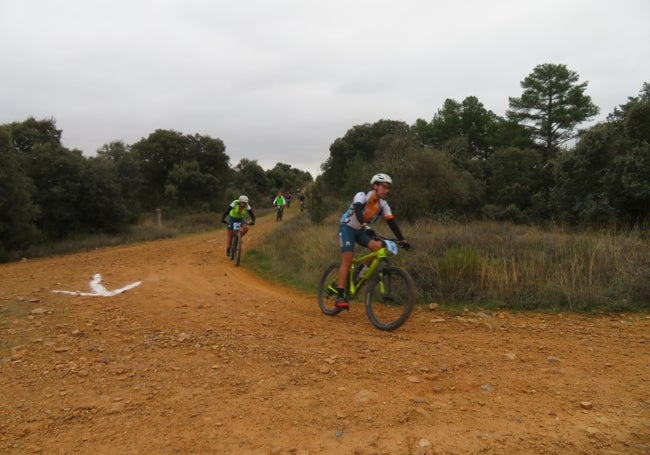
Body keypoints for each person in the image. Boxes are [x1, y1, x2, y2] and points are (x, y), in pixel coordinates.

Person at [334, 173, 409, 309]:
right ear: (375, 186)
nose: (386, 190)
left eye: (388, 188)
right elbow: (357, 210)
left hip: (361, 230)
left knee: (378, 247)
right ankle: (339, 295)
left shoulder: (383, 205)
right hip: (347, 228)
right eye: (384, 187)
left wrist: (402, 239)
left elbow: (391, 222)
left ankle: (360, 271)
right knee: (348, 257)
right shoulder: (362, 196)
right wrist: (364, 225)